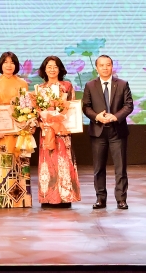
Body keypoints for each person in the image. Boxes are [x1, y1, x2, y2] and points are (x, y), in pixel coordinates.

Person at [82, 54, 134, 210]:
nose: (105, 68)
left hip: (117, 131)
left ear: (112, 66)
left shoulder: (122, 84)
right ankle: (100, 198)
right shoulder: (90, 85)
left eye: (108, 65)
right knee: (98, 168)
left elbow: (128, 105)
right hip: (98, 131)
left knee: (120, 167)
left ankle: (121, 199)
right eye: (102, 65)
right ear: (96, 68)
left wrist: (115, 117)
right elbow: (86, 107)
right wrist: (96, 116)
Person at [34, 55, 82, 206]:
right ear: (44, 70)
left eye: (55, 67)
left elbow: (72, 108)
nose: (52, 70)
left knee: (63, 162)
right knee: (47, 164)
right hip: (46, 132)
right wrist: (40, 123)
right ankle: (47, 198)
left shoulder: (67, 86)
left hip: (62, 132)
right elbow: (36, 112)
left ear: (60, 69)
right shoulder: (40, 89)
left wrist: (63, 120)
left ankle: (65, 197)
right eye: (49, 67)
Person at [0, 51, 31, 208]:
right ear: (1, 64)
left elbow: (26, 107)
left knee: (18, 163)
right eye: (5, 62)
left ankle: (20, 201)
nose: (9, 65)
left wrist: (24, 123)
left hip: (18, 132)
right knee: (1, 164)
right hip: (0, 132)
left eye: (12, 62)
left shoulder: (23, 83)